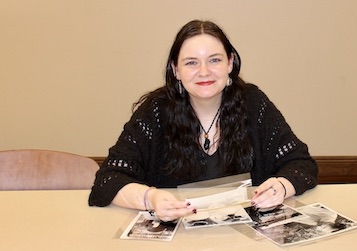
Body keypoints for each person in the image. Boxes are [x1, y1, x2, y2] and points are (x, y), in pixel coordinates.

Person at [89, 20, 318, 222]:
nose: (204, 72)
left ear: (230, 63)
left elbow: (300, 163)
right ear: (175, 70)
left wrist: (282, 186)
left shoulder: (253, 103)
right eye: (191, 63)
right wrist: (152, 198)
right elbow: (108, 180)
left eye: (214, 60)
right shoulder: (156, 110)